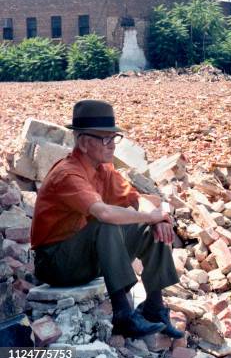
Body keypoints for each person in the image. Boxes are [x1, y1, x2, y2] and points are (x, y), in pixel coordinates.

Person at [30, 100, 183, 339]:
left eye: (114, 138)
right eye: (105, 139)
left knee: (149, 228)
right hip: (56, 263)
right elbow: (103, 213)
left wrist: (156, 219)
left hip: (86, 259)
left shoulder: (103, 169)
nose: (112, 145)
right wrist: (150, 215)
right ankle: (123, 314)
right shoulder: (67, 174)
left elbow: (136, 199)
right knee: (105, 222)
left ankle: (155, 308)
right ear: (83, 142)